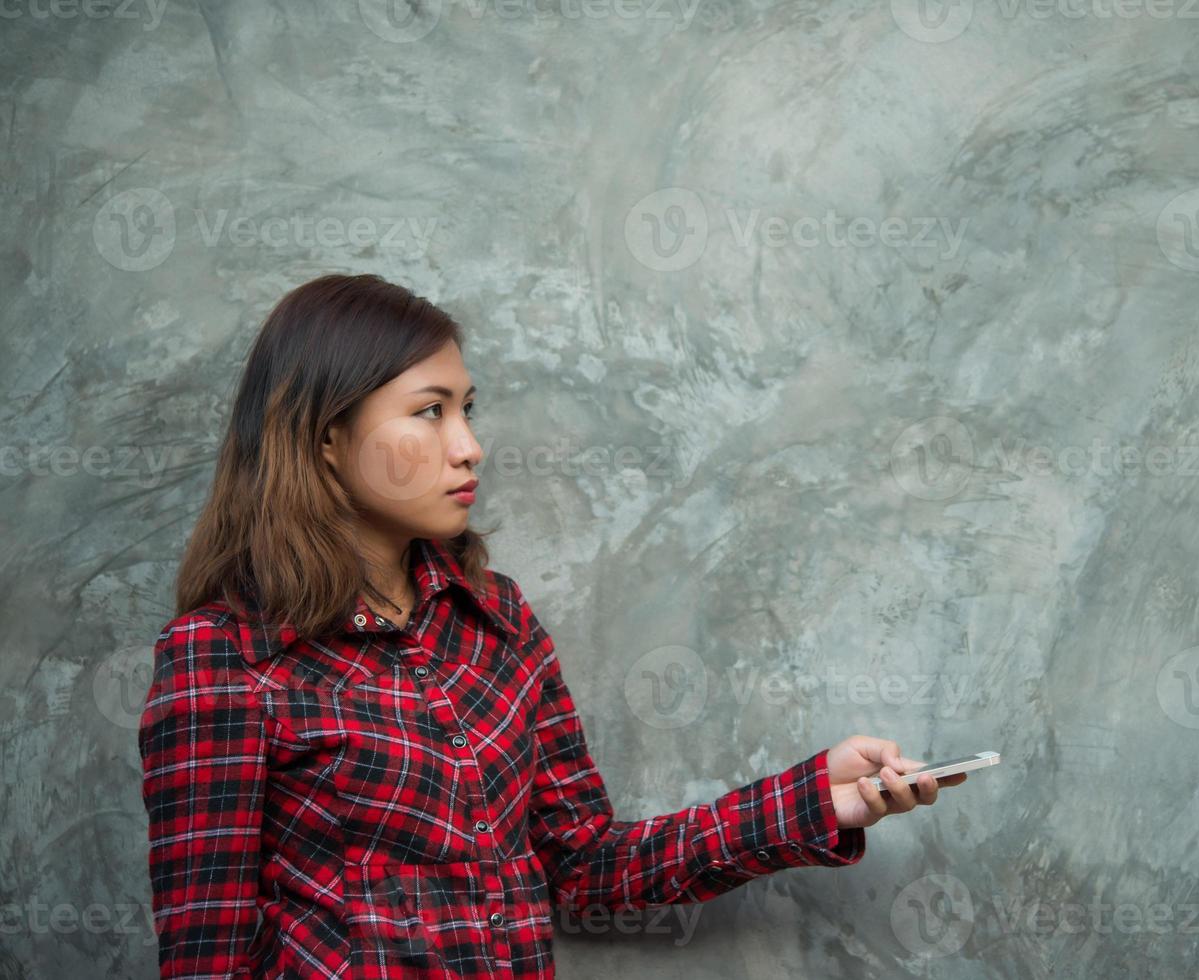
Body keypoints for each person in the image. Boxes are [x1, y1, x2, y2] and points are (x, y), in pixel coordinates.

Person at [137, 273, 967, 979]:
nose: (469, 447)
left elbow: (587, 865)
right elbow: (207, 956)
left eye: (467, 409)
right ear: (325, 439)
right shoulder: (226, 657)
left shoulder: (495, 621)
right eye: (429, 412)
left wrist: (818, 799)